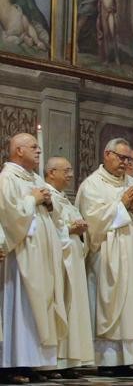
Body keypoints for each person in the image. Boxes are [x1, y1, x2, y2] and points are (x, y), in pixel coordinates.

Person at [76, 138, 133, 377]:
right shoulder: (92, 184)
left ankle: (127, 360)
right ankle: (107, 360)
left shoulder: (132, 182)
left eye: (128, 159)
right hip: (107, 254)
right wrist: (121, 205)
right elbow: (92, 220)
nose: (124, 162)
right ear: (106, 155)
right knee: (109, 305)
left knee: (132, 305)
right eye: (121, 157)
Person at [0, 133, 65, 383]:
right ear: (18, 150)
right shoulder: (8, 178)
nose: (39, 151)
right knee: (21, 306)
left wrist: (48, 203)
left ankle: (30, 363)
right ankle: (11, 363)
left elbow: (54, 215)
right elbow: (8, 214)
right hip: (21, 256)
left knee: (40, 306)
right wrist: (33, 199)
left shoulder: (35, 178)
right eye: (34, 147)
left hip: (40, 256)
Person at [42, 157, 94, 379]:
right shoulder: (45, 196)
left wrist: (79, 229)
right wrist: (69, 230)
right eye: (67, 170)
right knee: (60, 308)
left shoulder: (63, 199)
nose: (71, 175)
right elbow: (47, 229)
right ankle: (55, 361)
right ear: (51, 172)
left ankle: (71, 360)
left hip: (73, 259)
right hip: (57, 261)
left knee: (74, 309)